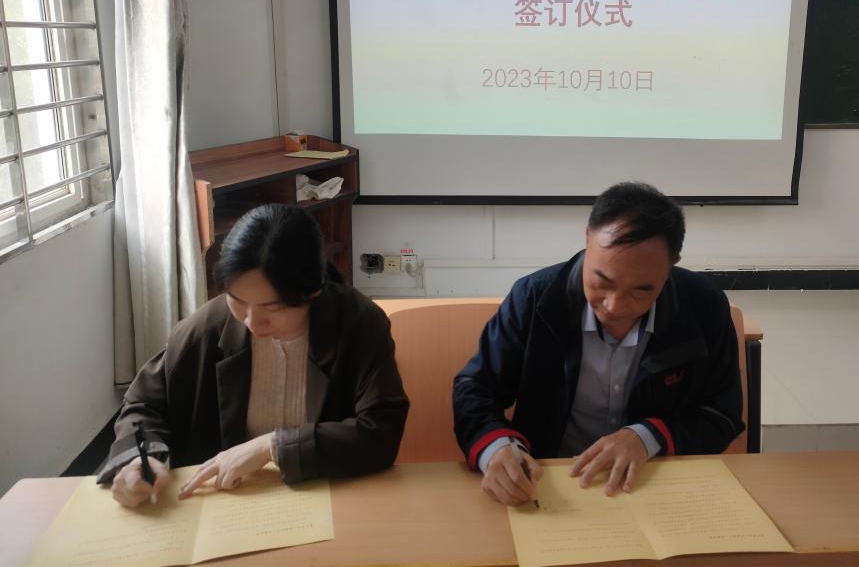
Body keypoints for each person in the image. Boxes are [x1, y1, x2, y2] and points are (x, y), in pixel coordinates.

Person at [98, 204, 409, 507]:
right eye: (237, 300)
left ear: (314, 290)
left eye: (273, 307)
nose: (251, 322)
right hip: (225, 502)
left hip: (330, 497)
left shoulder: (358, 324)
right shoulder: (207, 328)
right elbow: (144, 403)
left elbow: (381, 430)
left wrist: (274, 445)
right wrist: (140, 459)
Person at [453, 181, 744, 506]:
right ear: (587, 239)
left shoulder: (703, 306)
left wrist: (646, 437)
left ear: (671, 265)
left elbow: (722, 413)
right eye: (601, 281)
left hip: (651, 483)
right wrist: (497, 449)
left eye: (641, 291)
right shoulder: (535, 298)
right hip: (549, 483)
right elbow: (475, 389)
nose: (614, 306)